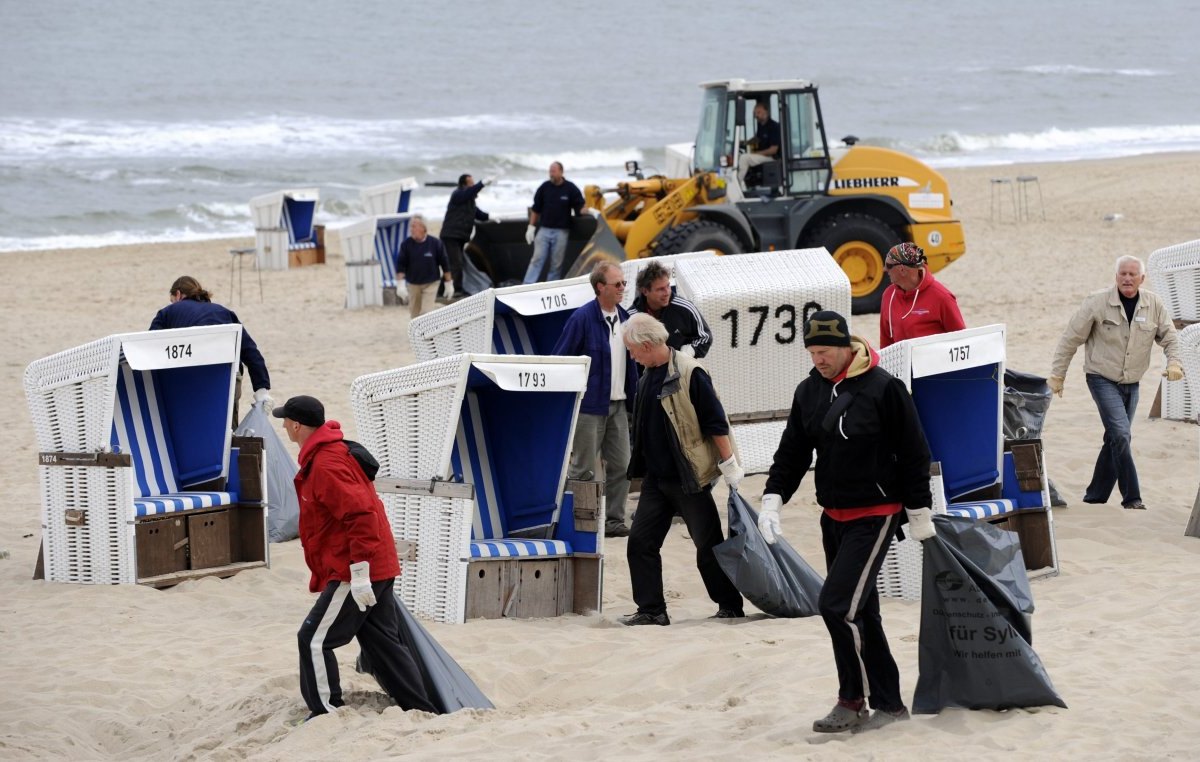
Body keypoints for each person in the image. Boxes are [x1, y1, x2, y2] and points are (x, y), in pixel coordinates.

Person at [758, 310, 934, 734]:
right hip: (832, 516)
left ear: (845, 347)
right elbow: (793, 452)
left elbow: (914, 452)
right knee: (862, 612)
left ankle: (852, 700)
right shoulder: (808, 391)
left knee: (836, 607)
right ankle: (890, 706)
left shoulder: (884, 389)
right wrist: (772, 498)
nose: (817, 359)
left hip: (876, 515)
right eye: (812, 352)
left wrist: (920, 512)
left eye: (823, 351)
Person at [274, 395, 436, 718]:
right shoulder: (329, 452)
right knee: (384, 644)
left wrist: (360, 573)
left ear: (296, 426)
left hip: (359, 570)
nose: (282, 426)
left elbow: (361, 516)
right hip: (377, 563)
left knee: (313, 639)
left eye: (285, 421)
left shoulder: (326, 464)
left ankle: (325, 711)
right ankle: (421, 708)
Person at [621, 313, 745, 626]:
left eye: (632, 350)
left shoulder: (690, 372)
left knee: (709, 546)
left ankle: (730, 605)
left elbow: (716, 422)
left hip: (688, 478)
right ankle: (652, 610)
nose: (631, 355)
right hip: (656, 480)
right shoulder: (647, 372)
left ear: (647, 345)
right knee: (640, 543)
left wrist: (729, 464)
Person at [1049, 254, 1183, 511]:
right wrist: (1058, 375)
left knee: (1114, 438)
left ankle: (1095, 496)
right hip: (1101, 378)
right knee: (1122, 434)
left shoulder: (1154, 304)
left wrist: (1173, 363)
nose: (1127, 278)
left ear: (1142, 279)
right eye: (1123, 273)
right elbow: (1070, 339)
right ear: (1116, 277)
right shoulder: (1097, 302)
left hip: (1132, 382)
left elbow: (1170, 338)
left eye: (1133, 274)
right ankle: (1132, 497)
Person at [552, 262, 638, 536]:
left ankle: (613, 521)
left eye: (624, 283)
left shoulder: (626, 319)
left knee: (623, 466)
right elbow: (561, 360)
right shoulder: (581, 319)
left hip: (620, 406)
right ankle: (578, 522)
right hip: (589, 407)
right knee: (584, 469)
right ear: (601, 287)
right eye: (618, 284)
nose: (623, 288)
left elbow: (634, 365)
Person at [150, 275, 271, 423]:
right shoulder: (223, 312)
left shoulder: (168, 312)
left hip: (191, 379)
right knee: (228, 428)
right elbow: (250, 351)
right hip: (229, 376)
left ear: (178, 295)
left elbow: (152, 348)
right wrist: (261, 389)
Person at [878, 242, 966, 348]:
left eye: (888, 265)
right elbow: (886, 341)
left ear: (902, 269)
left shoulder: (942, 297)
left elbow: (962, 340)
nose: (884, 269)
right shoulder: (888, 295)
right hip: (902, 363)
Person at [627, 260, 712, 358]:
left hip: (680, 371)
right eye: (660, 289)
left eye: (668, 286)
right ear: (645, 291)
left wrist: (688, 352)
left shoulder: (685, 308)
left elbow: (705, 337)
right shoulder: (630, 317)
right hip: (643, 372)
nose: (667, 292)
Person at [523, 161, 586, 284]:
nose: (551, 174)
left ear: (561, 172)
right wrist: (531, 227)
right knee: (537, 259)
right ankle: (527, 284)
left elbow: (580, 207)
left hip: (562, 232)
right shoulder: (544, 187)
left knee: (556, 263)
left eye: (553, 171)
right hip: (544, 230)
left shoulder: (570, 188)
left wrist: (589, 210)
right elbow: (536, 209)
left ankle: (551, 286)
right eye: (550, 171)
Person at [441, 173, 494, 298]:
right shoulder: (458, 194)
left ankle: (449, 288)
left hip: (459, 237)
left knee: (456, 262)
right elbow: (468, 193)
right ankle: (456, 290)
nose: (473, 186)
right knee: (456, 263)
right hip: (451, 236)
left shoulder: (470, 203)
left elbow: (480, 215)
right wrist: (482, 183)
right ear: (464, 185)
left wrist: (493, 216)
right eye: (471, 183)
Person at [396, 214, 453, 317]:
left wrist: (448, 284)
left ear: (423, 228)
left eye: (414, 226)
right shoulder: (405, 245)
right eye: (410, 226)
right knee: (415, 314)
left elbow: (445, 263)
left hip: (431, 283)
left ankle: (426, 333)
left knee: (426, 313)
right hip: (413, 284)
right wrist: (400, 285)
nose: (411, 229)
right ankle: (417, 333)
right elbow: (400, 265)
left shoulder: (436, 244)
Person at [737, 100, 781, 185]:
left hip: (772, 157)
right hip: (763, 155)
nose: (756, 115)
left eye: (758, 112)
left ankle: (737, 183)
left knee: (744, 158)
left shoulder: (774, 127)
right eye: (755, 113)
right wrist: (744, 143)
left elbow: (773, 150)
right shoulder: (761, 125)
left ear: (766, 111)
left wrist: (757, 153)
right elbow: (757, 139)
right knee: (740, 156)